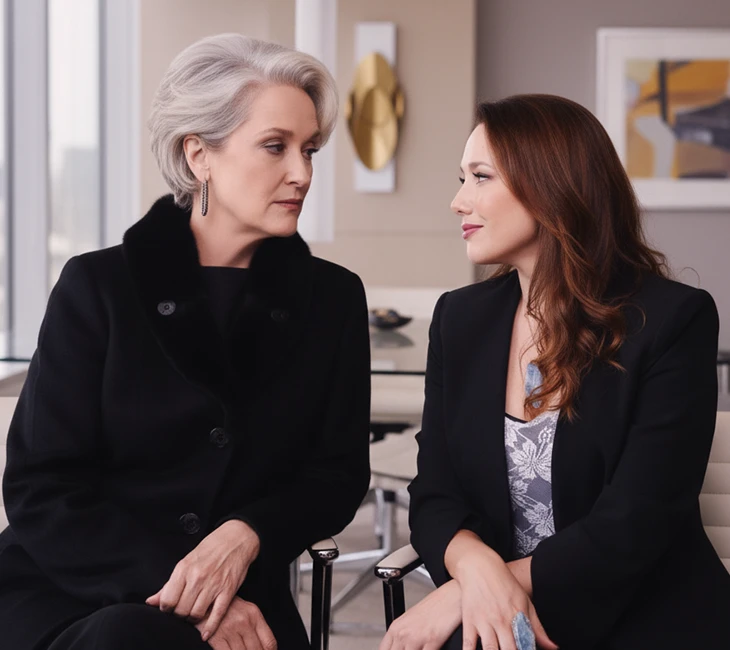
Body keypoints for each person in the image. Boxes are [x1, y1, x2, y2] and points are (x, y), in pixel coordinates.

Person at [0, 34, 371, 650]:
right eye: (275, 146)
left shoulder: (332, 298)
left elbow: (336, 475)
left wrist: (246, 533)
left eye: (309, 149)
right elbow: (42, 488)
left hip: (244, 594)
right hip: (73, 590)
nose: (302, 173)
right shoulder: (98, 286)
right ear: (199, 155)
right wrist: (187, 594)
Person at [380, 94, 730, 650]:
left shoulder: (672, 319)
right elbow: (435, 493)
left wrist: (469, 591)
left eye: (480, 177)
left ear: (550, 186)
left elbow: (636, 522)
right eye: (462, 179)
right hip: (502, 614)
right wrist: (475, 572)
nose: (458, 201)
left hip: (641, 615)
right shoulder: (459, 319)